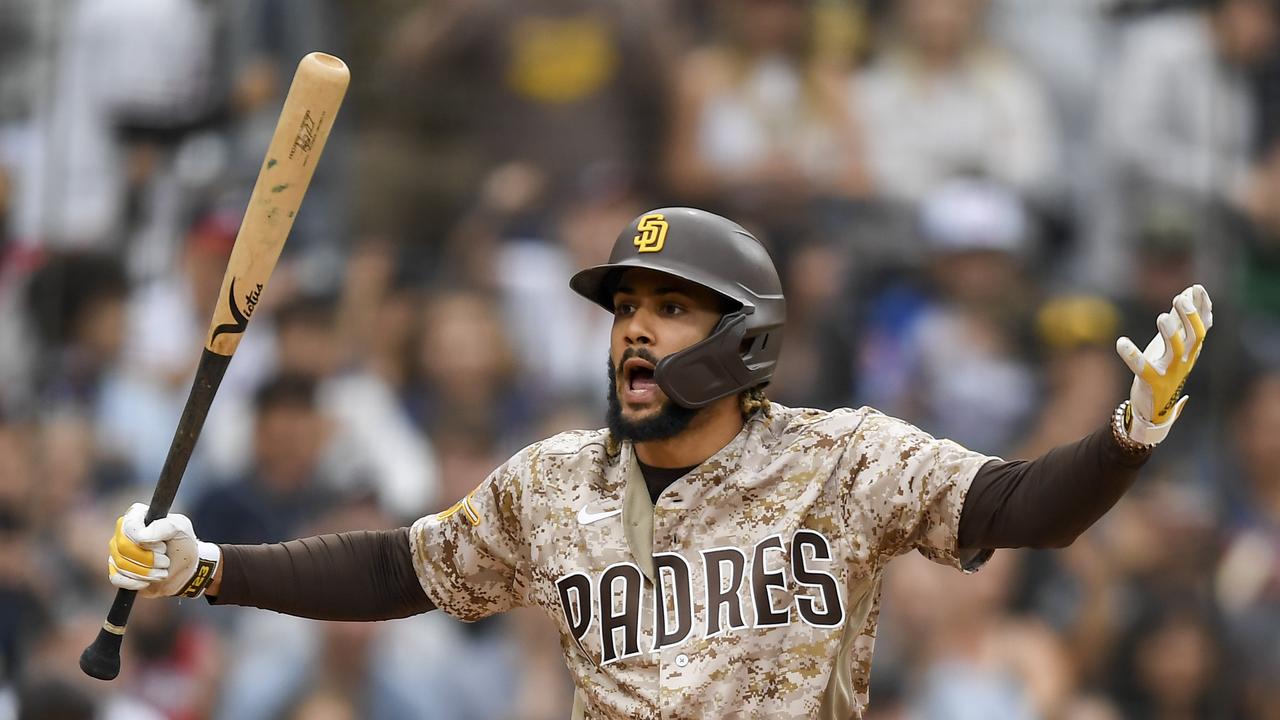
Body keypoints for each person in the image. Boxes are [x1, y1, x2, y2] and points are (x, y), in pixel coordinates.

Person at [106, 208, 1213, 719]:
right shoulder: (550, 483)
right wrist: (208, 567)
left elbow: (1024, 510)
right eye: (623, 309)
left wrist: (1125, 437)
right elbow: (400, 570)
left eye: (668, 309)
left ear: (743, 342)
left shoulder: (845, 459)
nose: (632, 329)